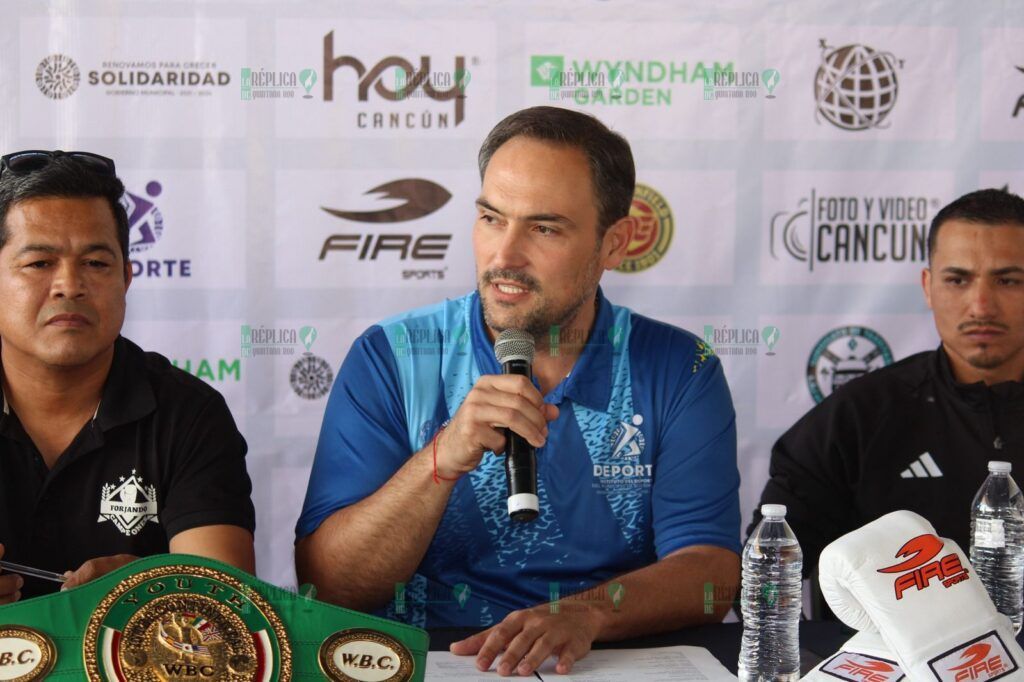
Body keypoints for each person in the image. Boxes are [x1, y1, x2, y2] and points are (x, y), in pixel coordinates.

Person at [295, 106, 741, 676]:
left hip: (602, 661)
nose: (504, 257)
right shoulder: (393, 355)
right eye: (490, 218)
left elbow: (710, 571)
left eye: (544, 228)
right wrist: (442, 458)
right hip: (436, 661)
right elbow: (329, 587)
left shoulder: (681, 368)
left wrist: (586, 615)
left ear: (615, 243)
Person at [0, 150, 256, 604]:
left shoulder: (188, 414)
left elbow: (224, 605)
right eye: (40, 263)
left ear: (127, 279)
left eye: (96, 264)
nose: (69, 285)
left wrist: (155, 589)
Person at [750, 188, 1024, 582]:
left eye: (1007, 281)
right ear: (928, 286)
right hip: (890, 646)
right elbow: (767, 577)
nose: (980, 305)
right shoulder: (859, 416)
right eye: (957, 279)